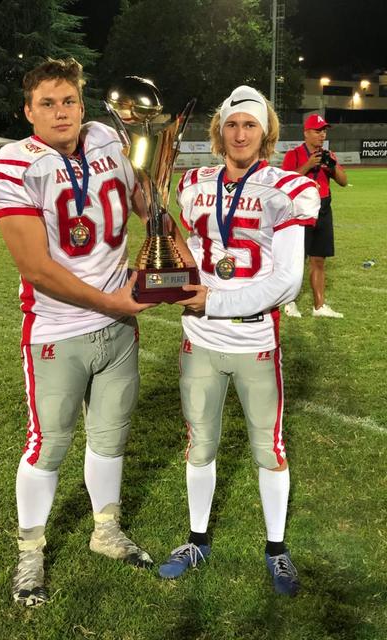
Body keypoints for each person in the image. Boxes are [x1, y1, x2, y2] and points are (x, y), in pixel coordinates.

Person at [0, 58, 188, 607]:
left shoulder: (107, 137)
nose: (60, 112)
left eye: (68, 100)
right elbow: (36, 267)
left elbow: (148, 203)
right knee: (47, 445)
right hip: (59, 328)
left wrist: (175, 250)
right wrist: (115, 300)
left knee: (110, 437)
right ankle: (31, 551)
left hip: (119, 329)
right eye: (46, 103)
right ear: (28, 111)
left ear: (82, 103)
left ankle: (105, 528)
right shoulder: (13, 164)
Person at [157, 86, 320, 597]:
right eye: (232, 124)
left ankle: (276, 549)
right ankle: (197, 539)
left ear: (265, 131)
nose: (240, 133)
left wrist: (214, 300)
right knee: (199, 445)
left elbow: (287, 282)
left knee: (268, 449)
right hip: (199, 339)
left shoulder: (288, 187)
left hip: (254, 339)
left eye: (250, 124)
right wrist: (168, 279)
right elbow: (189, 247)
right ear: (219, 131)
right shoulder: (193, 182)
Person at [282, 114, 348, 318]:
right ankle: (289, 302)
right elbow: (285, 183)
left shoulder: (328, 155)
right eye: (318, 131)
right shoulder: (293, 154)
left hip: (324, 210)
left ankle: (319, 307)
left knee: (319, 260)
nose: (322, 135)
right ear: (306, 133)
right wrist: (308, 165)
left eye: (324, 131)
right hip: (301, 211)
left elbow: (344, 182)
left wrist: (333, 166)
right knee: (296, 260)